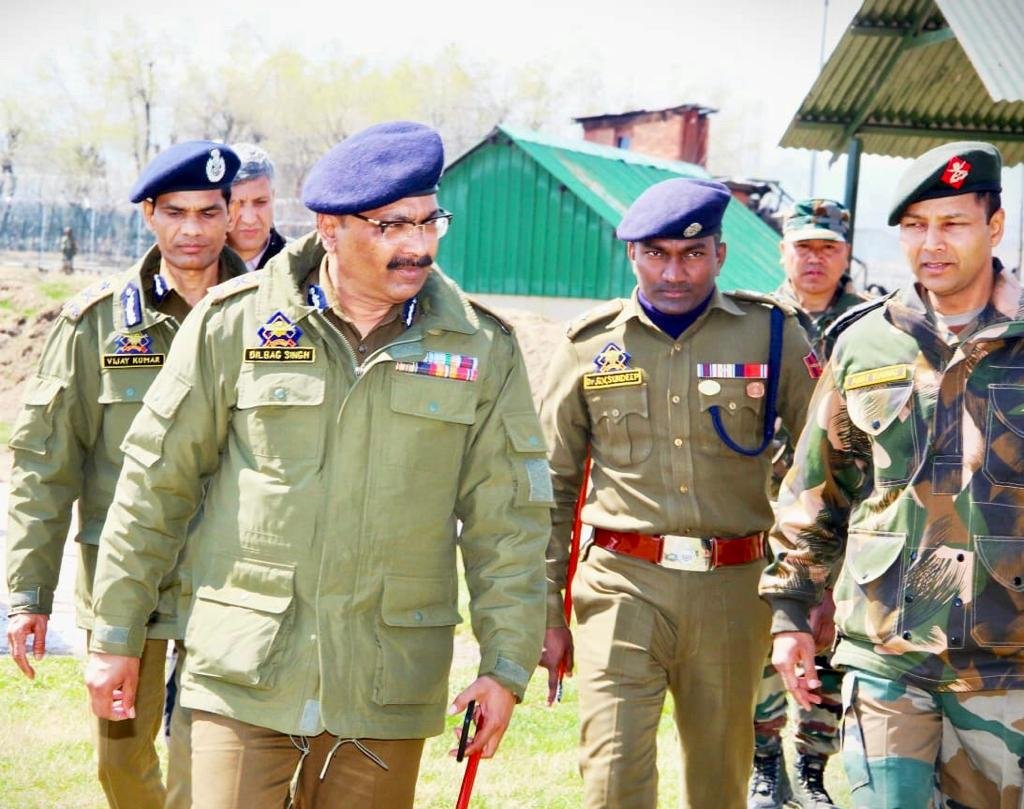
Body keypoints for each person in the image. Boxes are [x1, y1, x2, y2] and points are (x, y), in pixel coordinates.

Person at [83, 120, 550, 809]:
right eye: (393, 226)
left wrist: (505, 665)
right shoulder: (234, 323)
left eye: (430, 221)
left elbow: (507, 520)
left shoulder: (481, 346)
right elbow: (155, 486)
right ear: (330, 229)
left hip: (384, 683)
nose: (419, 245)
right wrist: (116, 634)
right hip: (244, 673)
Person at [540, 177, 818, 809]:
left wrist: (809, 590)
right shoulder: (589, 345)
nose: (673, 272)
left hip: (733, 590)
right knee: (611, 781)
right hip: (622, 587)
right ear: (631, 255)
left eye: (692, 254)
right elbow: (552, 486)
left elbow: (823, 467)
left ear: (720, 254)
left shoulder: (772, 335)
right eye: (656, 254)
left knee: (717, 785)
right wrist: (546, 610)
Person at [761, 141, 1024, 808]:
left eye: (953, 223)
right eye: (914, 225)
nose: (931, 244)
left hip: (1006, 664)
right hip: (885, 654)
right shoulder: (866, 342)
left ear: (995, 226)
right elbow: (819, 486)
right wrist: (791, 611)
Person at [5, 140, 245, 809]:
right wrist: (28, 592)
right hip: (126, 582)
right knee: (120, 763)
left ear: (231, 215)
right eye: (175, 212)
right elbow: (45, 464)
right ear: (148, 215)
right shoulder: (97, 323)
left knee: (223, 770)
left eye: (208, 212)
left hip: (237, 583)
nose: (192, 229)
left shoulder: (267, 318)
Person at [749, 199, 868, 809]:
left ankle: (812, 767)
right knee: (767, 638)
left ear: (846, 254)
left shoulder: (873, 324)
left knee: (831, 644)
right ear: (783, 251)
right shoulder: (756, 322)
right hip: (765, 512)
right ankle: (765, 763)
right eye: (804, 246)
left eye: (828, 247)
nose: (815, 258)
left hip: (845, 515)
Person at [227, 142, 286, 271]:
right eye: (237, 204)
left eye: (261, 202)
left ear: (273, 198)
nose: (249, 219)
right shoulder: (199, 266)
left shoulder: (299, 265)